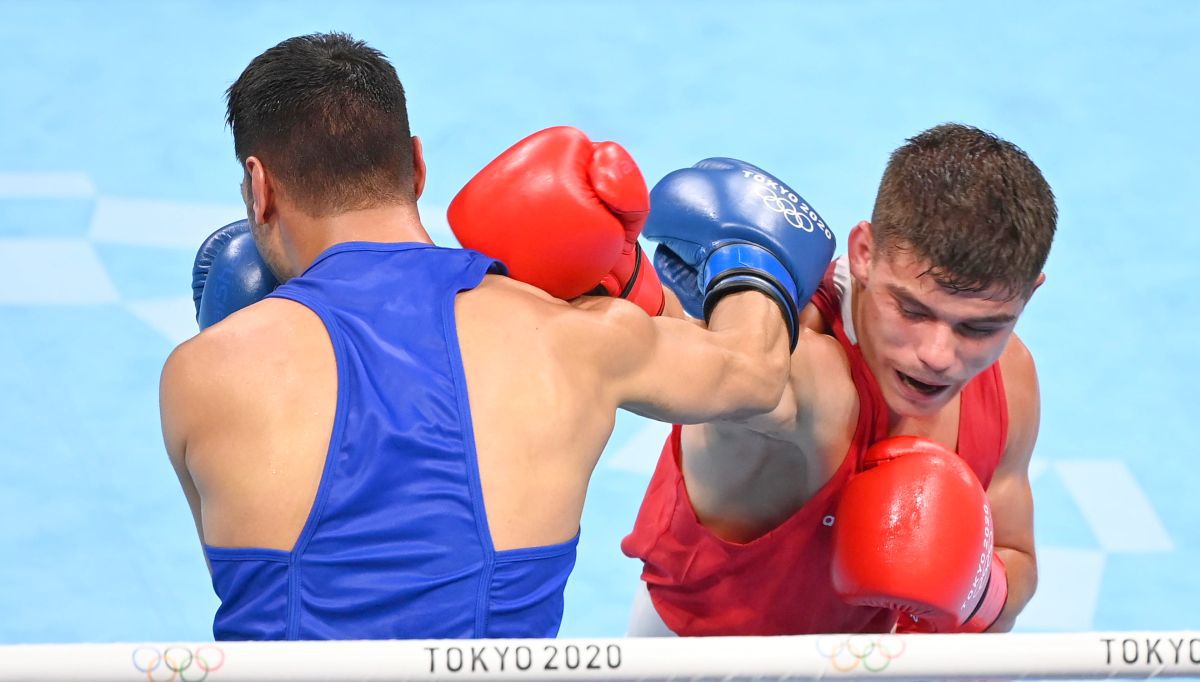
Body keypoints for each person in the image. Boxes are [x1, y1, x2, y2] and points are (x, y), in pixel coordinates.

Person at [160, 32, 834, 640]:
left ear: (259, 186)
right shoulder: (570, 339)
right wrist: (749, 256)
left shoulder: (204, 374)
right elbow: (755, 375)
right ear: (418, 167)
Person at [622, 123, 1057, 636]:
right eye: (911, 310)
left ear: (1028, 296)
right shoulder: (800, 366)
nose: (938, 356)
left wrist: (976, 588)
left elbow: (1015, 557)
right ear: (864, 254)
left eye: (979, 327)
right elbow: (669, 367)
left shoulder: (1010, 376)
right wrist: (730, 285)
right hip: (716, 663)